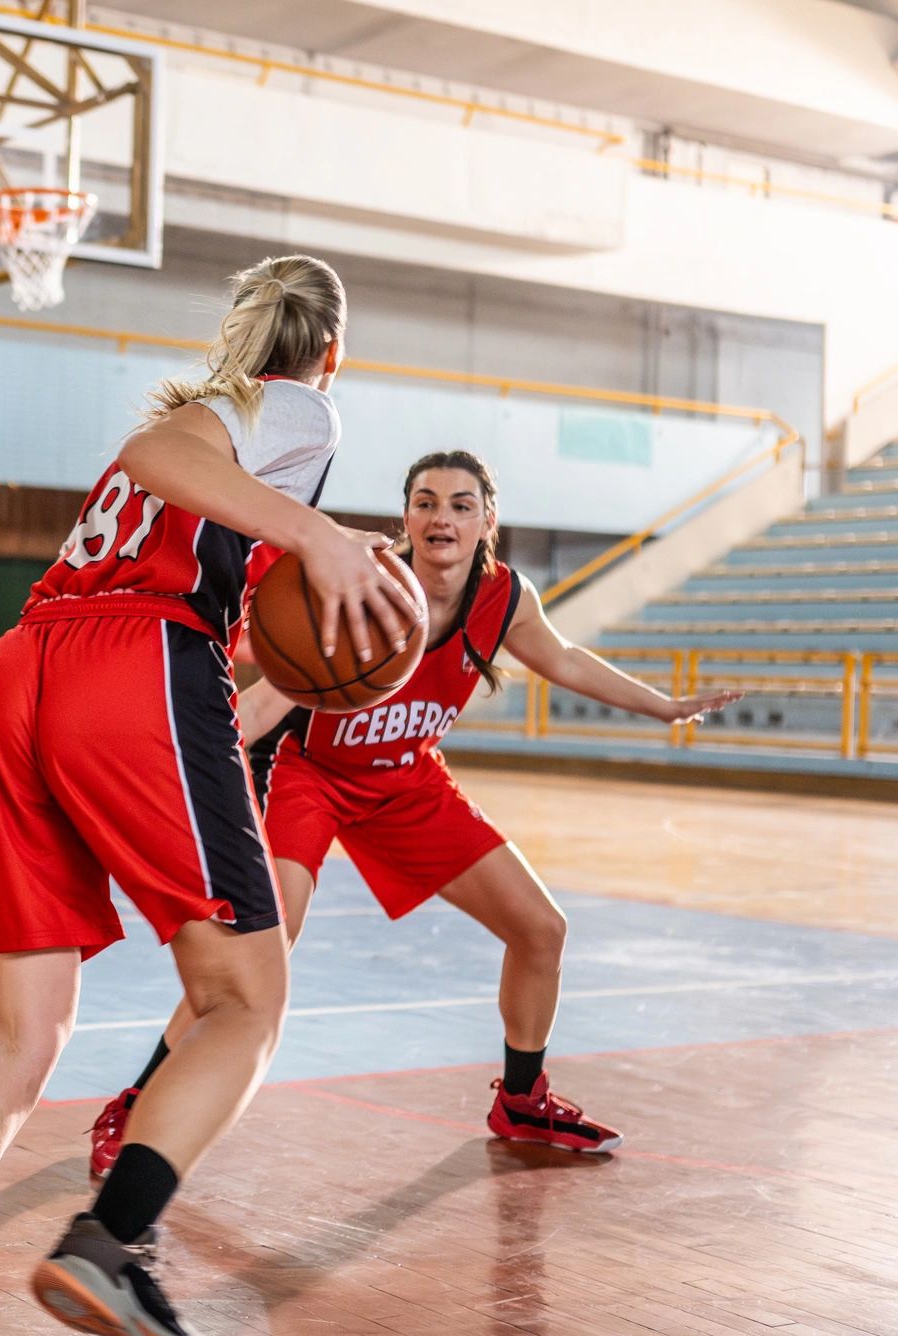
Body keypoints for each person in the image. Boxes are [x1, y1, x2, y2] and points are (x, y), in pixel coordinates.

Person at [0, 254, 422, 1336]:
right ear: (329, 350)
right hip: (132, 663)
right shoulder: (286, 410)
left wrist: (293, 662)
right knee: (245, 1001)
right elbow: (159, 458)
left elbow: (212, 583)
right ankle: (116, 1242)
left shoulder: (229, 434)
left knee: (16, 1040)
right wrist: (329, 541)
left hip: (30, 669)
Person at [87, 449, 745, 1177]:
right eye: (425, 502)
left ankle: (520, 1099)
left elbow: (564, 660)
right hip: (311, 774)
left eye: (461, 505)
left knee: (540, 929)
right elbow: (273, 692)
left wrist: (664, 706)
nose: (441, 517)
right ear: (405, 516)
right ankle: (140, 1100)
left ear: (486, 520)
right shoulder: (364, 581)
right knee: (261, 950)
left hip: (408, 779)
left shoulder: (504, 598)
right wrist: (174, 761)